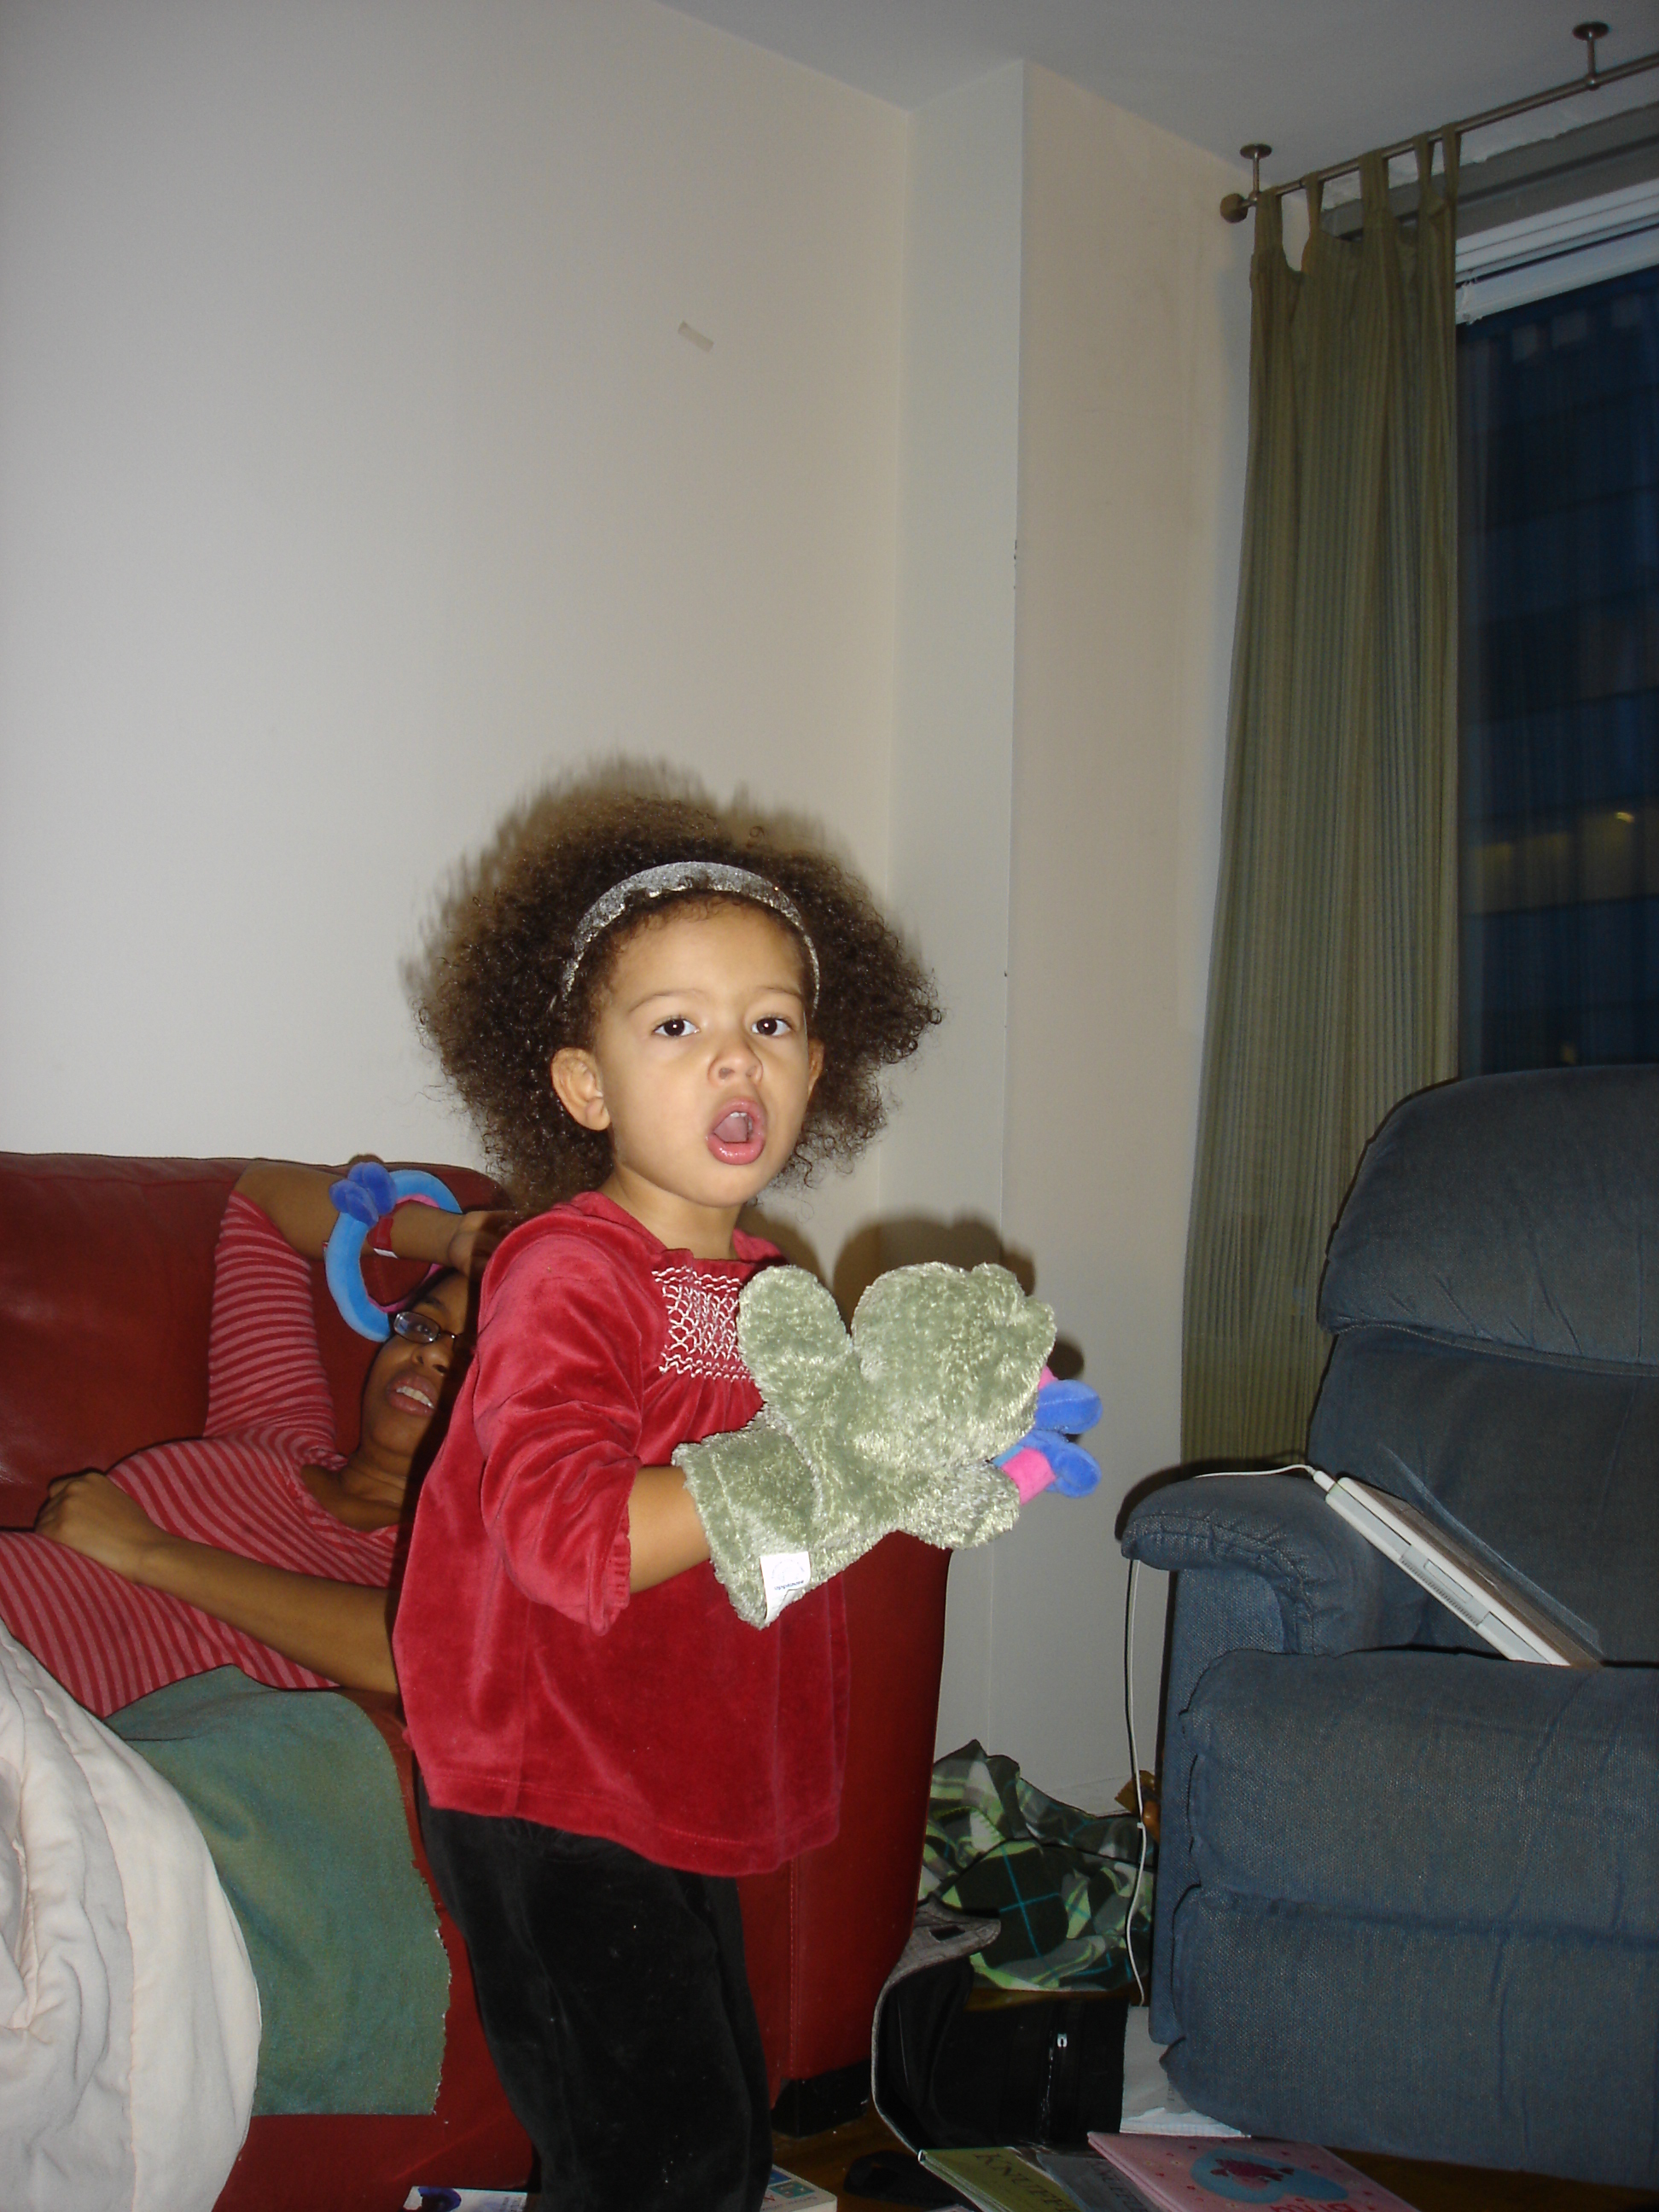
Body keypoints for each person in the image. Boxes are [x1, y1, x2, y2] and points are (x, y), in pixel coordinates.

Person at [393, 789, 942, 2212]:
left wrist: (941, 1456)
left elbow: (793, 1532)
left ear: (817, 1068)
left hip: (672, 1765)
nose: (732, 1056)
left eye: (770, 1022)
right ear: (586, 1089)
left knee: (713, 2142)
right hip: (549, 1777)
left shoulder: (771, 1293)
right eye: (677, 1025)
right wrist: (824, 1458)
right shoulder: (566, 1271)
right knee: (658, 2159)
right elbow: (568, 1538)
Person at [0, 1161, 507, 1715]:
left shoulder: (455, 1565)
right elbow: (262, 1201)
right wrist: (451, 1236)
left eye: (472, 1356)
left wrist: (146, 1551)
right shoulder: (276, 1422)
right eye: (424, 1326)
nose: (431, 1354)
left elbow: (427, 1652)